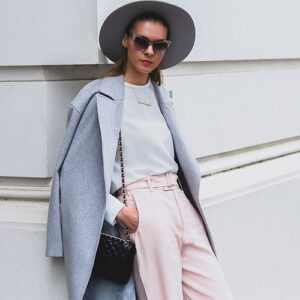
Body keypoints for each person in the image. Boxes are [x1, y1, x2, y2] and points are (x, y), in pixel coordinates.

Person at [46, 1, 233, 300]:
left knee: (217, 293)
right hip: (144, 208)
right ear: (126, 40)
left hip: (180, 202)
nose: (149, 51)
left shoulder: (161, 97)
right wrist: (119, 211)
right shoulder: (101, 97)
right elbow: (74, 175)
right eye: (142, 41)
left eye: (159, 45)